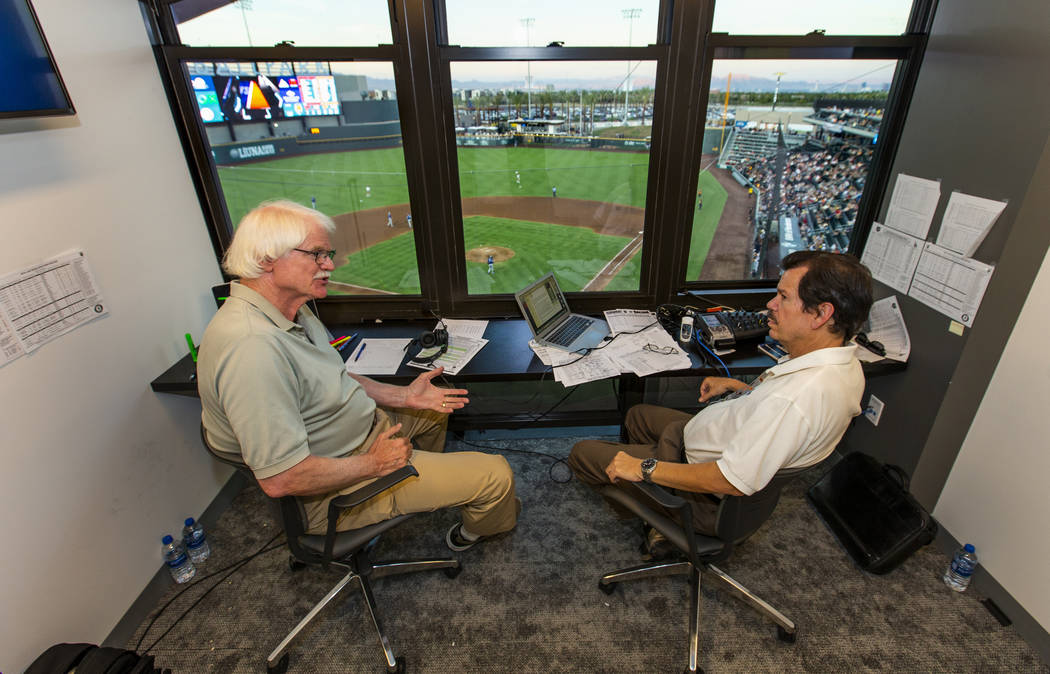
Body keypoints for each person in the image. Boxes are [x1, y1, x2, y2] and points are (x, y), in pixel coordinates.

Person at [198, 200, 519, 552]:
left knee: (435, 405)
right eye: (317, 254)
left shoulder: (292, 310)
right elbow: (280, 478)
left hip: (363, 435)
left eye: (328, 253)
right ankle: (464, 528)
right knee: (496, 475)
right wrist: (374, 464)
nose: (329, 265)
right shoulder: (251, 349)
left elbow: (335, 376)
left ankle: (425, 488)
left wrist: (403, 397)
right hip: (334, 490)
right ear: (265, 259)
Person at [568, 250, 872, 545]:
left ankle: (656, 507)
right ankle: (648, 500)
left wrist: (644, 468)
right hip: (711, 440)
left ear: (821, 314)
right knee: (637, 416)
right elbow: (782, 417)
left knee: (582, 455)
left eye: (784, 297)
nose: (771, 304)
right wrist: (742, 390)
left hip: (707, 494)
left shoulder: (794, 401)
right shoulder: (844, 364)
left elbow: (728, 479)